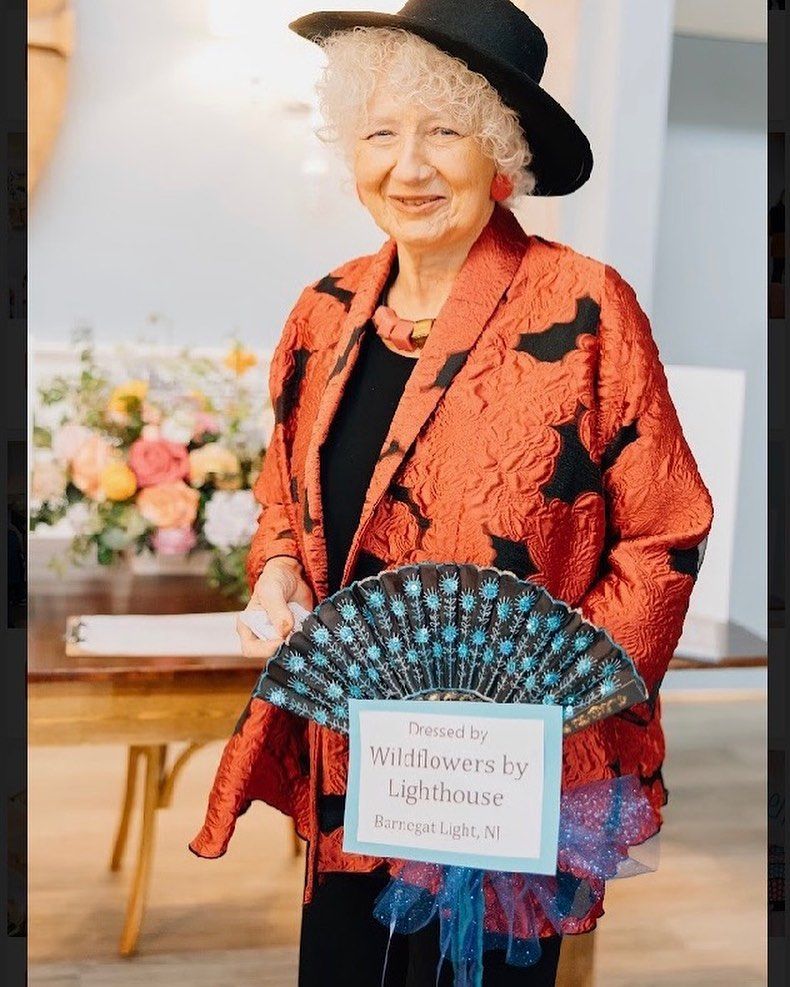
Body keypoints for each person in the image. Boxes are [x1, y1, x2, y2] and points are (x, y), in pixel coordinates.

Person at [191, 2, 714, 984]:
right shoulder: (325, 309)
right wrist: (274, 573)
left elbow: (666, 532)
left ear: (501, 152)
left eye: (446, 131)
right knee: (345, 964)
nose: (410, 166)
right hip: (353, 752)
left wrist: (552, 697)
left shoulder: (586, 306)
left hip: (505, 773)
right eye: (381, 133)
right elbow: (283, 491)